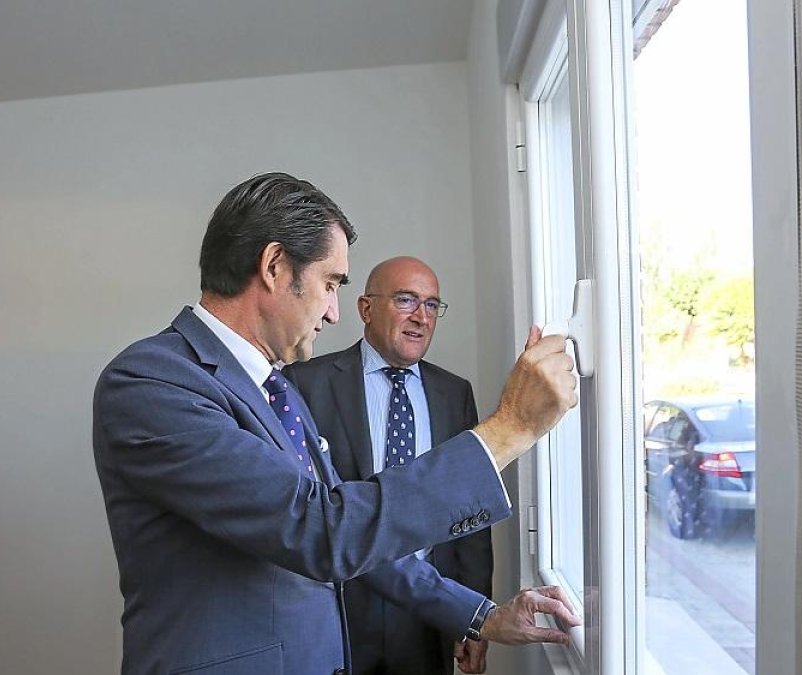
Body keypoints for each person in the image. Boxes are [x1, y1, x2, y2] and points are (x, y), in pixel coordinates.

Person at [93, 172, 580, 675]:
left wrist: (482, 616)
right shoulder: (152, 383)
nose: (332, 314)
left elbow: (354, 535)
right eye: (330, 284)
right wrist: (510, 428)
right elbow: (321, 532)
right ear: (275, 266)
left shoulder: (277, 390)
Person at [284, 256, 494, 675]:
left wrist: (474, 618)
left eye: (432, 305)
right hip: (339, 601)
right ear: (365, 308)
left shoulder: (454, 394)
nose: (421, 317)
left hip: (429, 608)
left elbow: (472, 515)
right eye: (406, 300)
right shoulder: (305, 382)